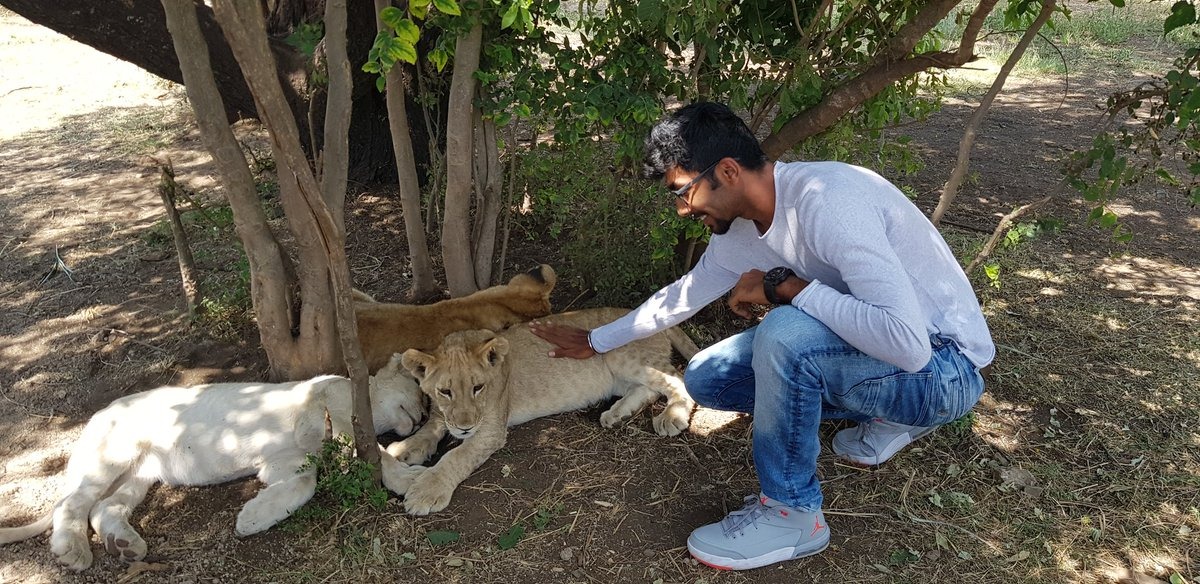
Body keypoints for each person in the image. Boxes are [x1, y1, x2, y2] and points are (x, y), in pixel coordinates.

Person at [529, 102, 994, 571]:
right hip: (891, 356)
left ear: (728, 171)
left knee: (785, 333)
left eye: (683, 191)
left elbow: (907, 345)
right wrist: (595, 342)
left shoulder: (827, 202)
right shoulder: (741, 230)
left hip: (944, 368)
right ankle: (887, 413)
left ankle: (793, 514)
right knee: (709, 378)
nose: (681, 209)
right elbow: (685, 295)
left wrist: (785, 288)